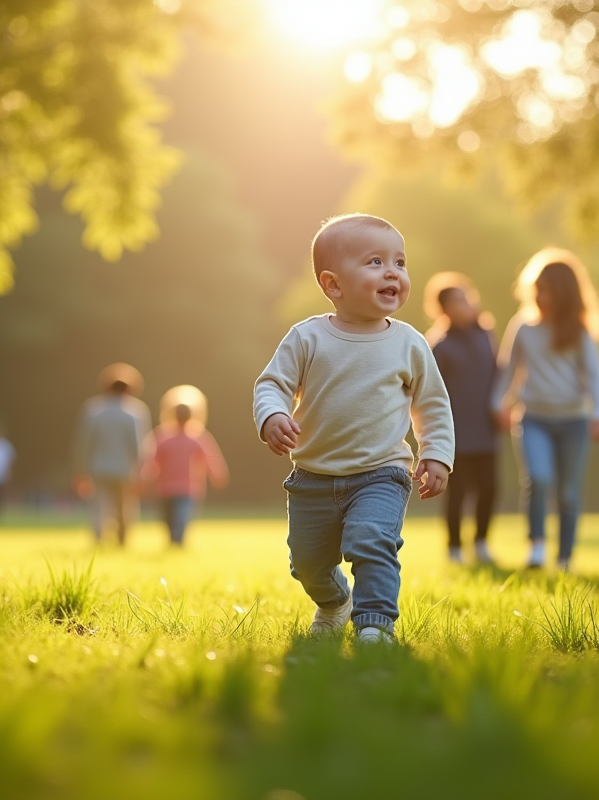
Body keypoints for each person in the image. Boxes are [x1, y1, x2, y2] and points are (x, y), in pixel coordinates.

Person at [254, 213, 455, 644]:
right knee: (306, 563)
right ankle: (333, 602)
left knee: (372, 540)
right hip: (313, 477)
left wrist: (436, 453)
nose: (392, 272)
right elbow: (273, 384)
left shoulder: (409, 343)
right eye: (375, 262)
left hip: (382, 473)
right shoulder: (307, 338)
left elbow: (433, 405)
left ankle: (374, 626)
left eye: (399, 263)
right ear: (333, 285)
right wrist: (272, 416)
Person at [494, 248, 599, 573]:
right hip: (534, 419)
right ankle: (536, 547)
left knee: (569, 493)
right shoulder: (523, 327)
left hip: (574, 421)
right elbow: (508, 371)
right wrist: (498, 404)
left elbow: (596, 376)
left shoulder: (579, 331)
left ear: (563, 294)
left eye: (545, 291)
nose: (539, 297)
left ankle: (565, 558)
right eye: (536, 290)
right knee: (539, 479)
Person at [425, 273, 500, 565]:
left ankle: (481, 543)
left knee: (489, 489)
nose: (466, 303)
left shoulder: (485, 335)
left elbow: (497, 375)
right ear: (444, 309)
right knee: (456, 493)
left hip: (485, 429)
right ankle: (454, 547)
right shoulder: (439, 346)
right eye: (458, 300)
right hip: (454, 433)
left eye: (467, 296)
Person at [72, 363, 151, 545]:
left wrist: (79, 470)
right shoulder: (136, 412)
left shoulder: (93, 410)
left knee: (100, 507)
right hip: (126, 469)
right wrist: (143, 472)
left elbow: (84, 443)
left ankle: (98, 539)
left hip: (98, 467)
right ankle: (122, 541)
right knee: (125, 508)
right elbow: (139, 446)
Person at [142, 386, 229, 547]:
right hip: (183, 488)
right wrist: (217, 475)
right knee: (175, 520)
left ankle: (176, 544)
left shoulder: (167, 437)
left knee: (175, 520)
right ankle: (175, 543)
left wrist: (145, 478)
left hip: (173, 488)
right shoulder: (192, 437)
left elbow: (152, 462)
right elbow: (211, 459)